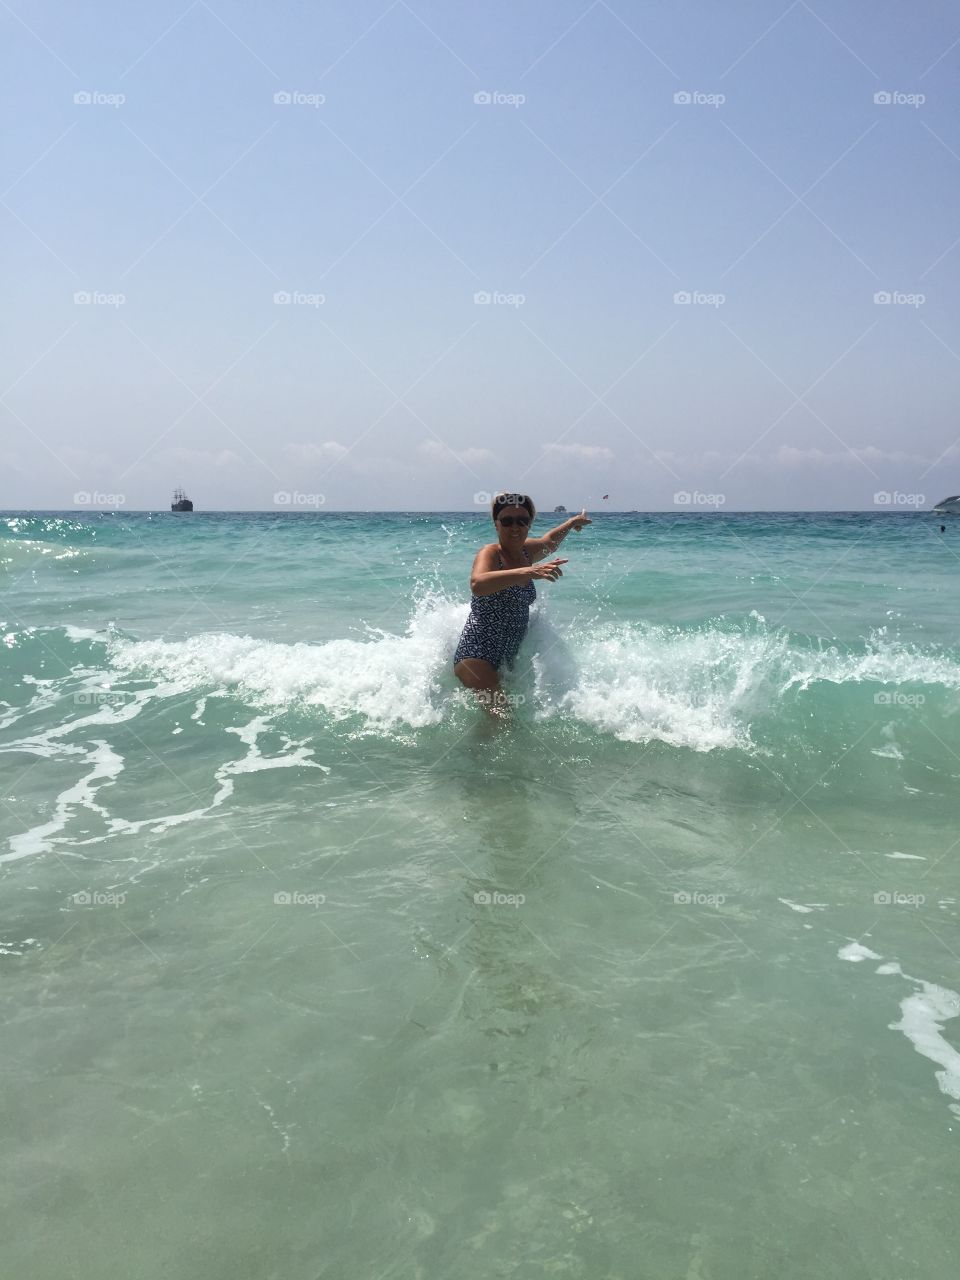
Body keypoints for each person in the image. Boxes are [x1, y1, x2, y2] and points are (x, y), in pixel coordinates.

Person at [453, 491, 592, 716]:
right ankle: (471, 753)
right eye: (507, 521)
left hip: (506, 658)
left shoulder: (526, 552)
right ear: (496, 524)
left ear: (529, 523)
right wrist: (528, 571)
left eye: (522, 521)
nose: (515, 527)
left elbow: (549, 543)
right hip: (476, 656)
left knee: (503, 720)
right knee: (502, 717)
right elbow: (478, 583)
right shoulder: (490, 553)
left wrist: (571, 522)